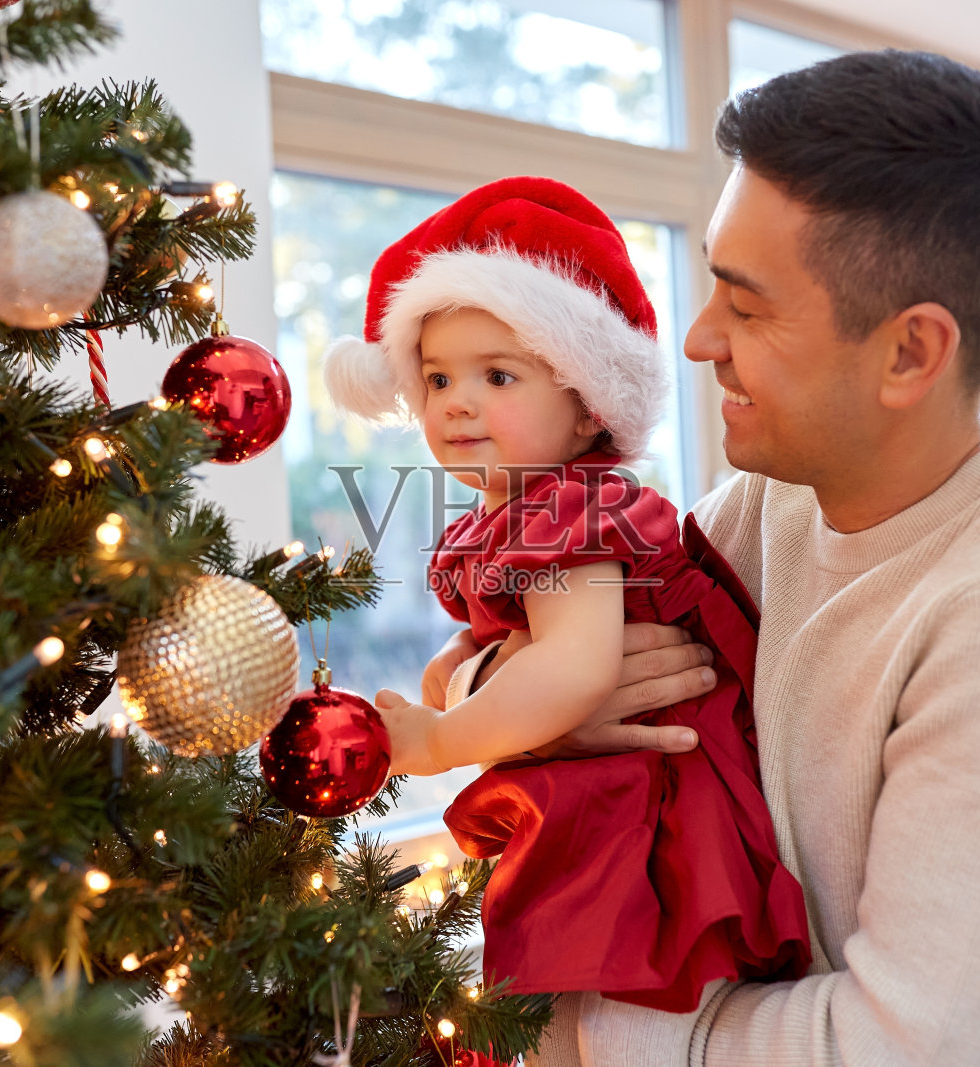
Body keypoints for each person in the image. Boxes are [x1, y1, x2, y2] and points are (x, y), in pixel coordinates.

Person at [425, 51, 980, 1066]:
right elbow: (487, 657)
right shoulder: (765, 509)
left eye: (746, 308)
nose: (699, 340)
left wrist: (580, 1026)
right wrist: (529, 692)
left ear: (909, 353)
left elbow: (902, 1050)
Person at [322, 176, 811, 1014]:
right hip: (610, 785)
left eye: (498, 376)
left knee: (596, 996)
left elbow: (576, 667)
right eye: (437, 379)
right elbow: (527, 641)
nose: (457, 402)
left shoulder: (573, 512)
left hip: (646, 809)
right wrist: (465, 664)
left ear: (588, 409)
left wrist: (441, 739)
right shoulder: (517, 509)